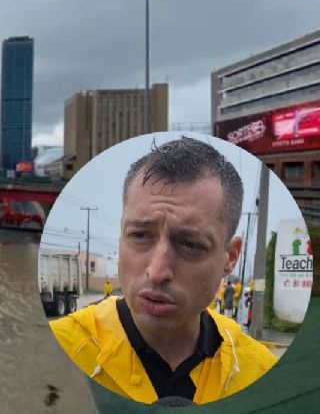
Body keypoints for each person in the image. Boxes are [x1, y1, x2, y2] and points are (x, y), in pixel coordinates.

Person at [50, 137, 277, 405]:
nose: (157, 272)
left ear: (230, 257)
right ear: (122, 232)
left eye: (190, 244)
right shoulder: (56, 350)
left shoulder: (259, 371)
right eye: (140, 235)